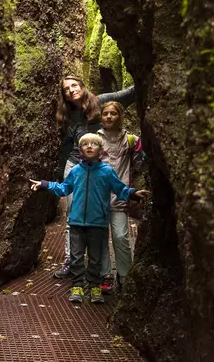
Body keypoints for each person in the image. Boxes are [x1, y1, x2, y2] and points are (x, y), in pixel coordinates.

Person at [30, 133, 149, 303]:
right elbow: (64, 188)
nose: (90, 146)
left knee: (95, 257)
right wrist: (45, 184)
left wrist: (132, 194)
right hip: (77, 222)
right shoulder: (76, 171)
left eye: (94, 144)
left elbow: (119, 189)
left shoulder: (107, 172)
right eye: (85, 144)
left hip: (98, 222)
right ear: (80, 150)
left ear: (101, 150)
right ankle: (77, 285)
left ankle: (94, 286)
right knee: (77, 257)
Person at [54, 76, 135, 279]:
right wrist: (61, 173)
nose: (71, 90)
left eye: (74, 85)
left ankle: (105, 270)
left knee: (101, 219)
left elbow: (130, 94)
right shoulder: (67, 115)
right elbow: (66, 146)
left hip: (101, 166)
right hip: (75, 166)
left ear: (82, 86)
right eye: (66, 89)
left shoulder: (101, 102)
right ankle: (71, 260)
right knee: (73, 213)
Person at [97, 101, 145, 293]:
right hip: (98, 196)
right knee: (100, 238)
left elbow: (139, 164)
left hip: (120, 195)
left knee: (120, 236)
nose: (109, 117)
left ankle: (125, 275)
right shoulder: (95, 139)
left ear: (120, 116)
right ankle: (105, 275)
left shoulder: (131, 140)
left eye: (113, 114)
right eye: (105, 114)